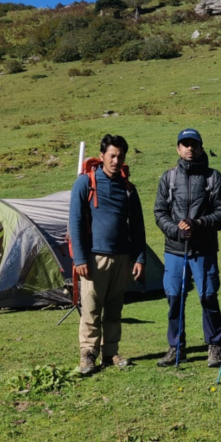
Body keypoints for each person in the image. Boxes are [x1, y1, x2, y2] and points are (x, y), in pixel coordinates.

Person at [69, 134, 146, 375]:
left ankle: (110, 352)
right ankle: (88, 354)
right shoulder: (85, 183)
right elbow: (76, 222)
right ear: (101, 156)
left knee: (114, 310)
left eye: (120, 156)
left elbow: (137, 227)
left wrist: (140, 258)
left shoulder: (128, 188)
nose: (116, 160)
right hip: (94, 258)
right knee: (91, 309)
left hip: (122, 258)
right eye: (111, 155)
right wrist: (80, 258)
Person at [154, 128, 221, 367]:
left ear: (200, 146)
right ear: (178, 148)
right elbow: (160, 212)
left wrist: (199, 223)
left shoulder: (212, 177)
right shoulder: (169, 178)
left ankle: (215, 344)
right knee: (175, 298)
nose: (189, 148)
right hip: (174, 249)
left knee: (208, 296)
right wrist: (176, 229)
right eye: (184, 144)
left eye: (193, 144)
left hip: (203, 249)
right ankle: (176, 348)